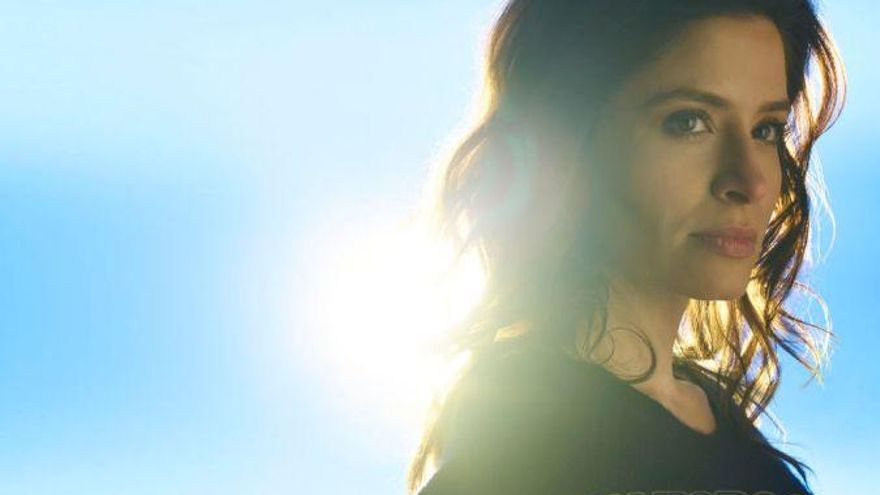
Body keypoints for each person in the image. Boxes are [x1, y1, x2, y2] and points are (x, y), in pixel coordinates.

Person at [406, 1, 846, 494]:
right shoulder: (522, 438)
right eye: (688, 122)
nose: (750, 181)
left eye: (765, 129)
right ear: (569, 137)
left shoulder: (723, 426)